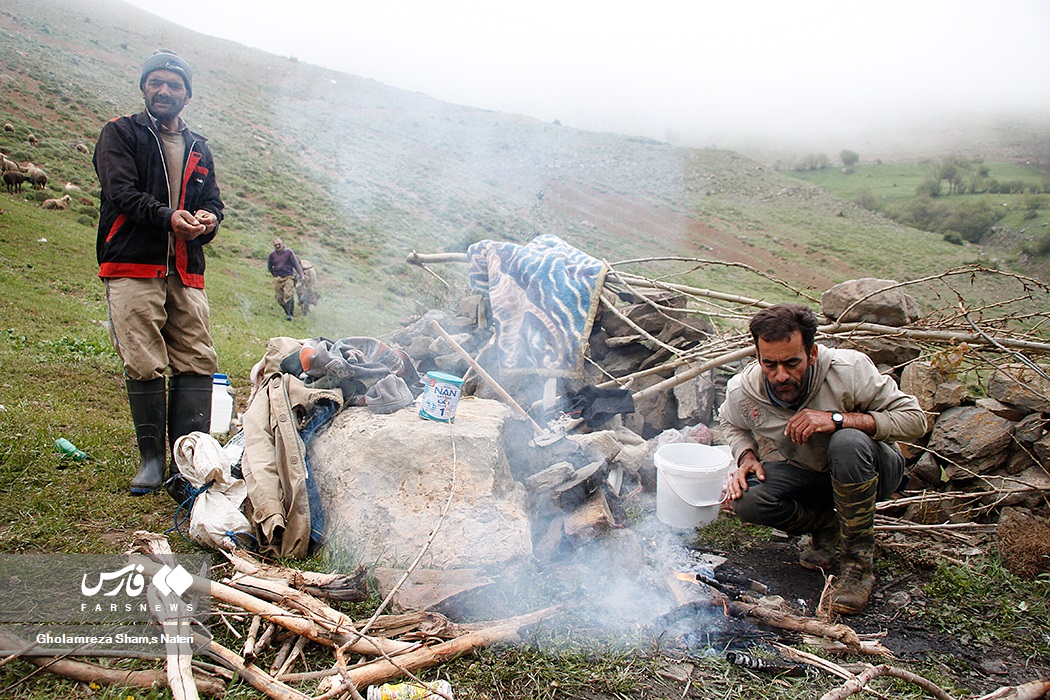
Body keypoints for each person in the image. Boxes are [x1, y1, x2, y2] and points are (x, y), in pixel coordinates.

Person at [719, 303, 927, 614]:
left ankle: (857, 566)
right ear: (758, 356)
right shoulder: (744, 391)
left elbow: (915, 420)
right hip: (811, 475)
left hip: (875, 471)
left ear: (812, 353)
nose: (781, 376)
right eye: (770, 364)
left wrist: (839, 419)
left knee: (846, 441)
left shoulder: (849, 370)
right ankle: (829, 527)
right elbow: (730, 423)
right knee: (747, 497)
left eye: (792, 363)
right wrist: (746, 455)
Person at [94, 49, 224, 496]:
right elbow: (121, 193)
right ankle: (151, 461)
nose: (164, 90)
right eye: (156, 82)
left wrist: (207, 220)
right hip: (132, 262)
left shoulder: (198, 146)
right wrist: (169, 217)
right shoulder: (121, 133)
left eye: (174, 84)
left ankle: (186, 462)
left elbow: (214, 203)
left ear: (187, 95)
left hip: (185, 268)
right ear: (144, 88)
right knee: (144, 359)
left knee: (197, 358)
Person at [267, 237, 304, 320]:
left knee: (288, 294)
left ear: (282, 244)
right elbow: (269, 266)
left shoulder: (289, 253)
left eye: (279, 244)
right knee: (279, 298)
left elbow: (296, 264)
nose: (277, 246)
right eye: (275, 245)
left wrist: (301, 274)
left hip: (288, 277)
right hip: (278, 278)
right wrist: (275, 274)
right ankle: (287, 311)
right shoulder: (272, 255)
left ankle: (290, 315)